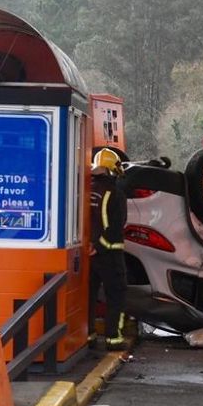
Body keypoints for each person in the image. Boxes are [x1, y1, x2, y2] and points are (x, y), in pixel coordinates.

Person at [89, 148, 130, 350]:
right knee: (117, 295)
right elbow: (116, 226)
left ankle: (88, 336)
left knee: (89, 297)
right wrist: (101, 246)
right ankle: (113, 339)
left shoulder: (86, 190)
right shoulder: (115, 193)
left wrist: (92, 246)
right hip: (110, 254)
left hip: (88, 254)